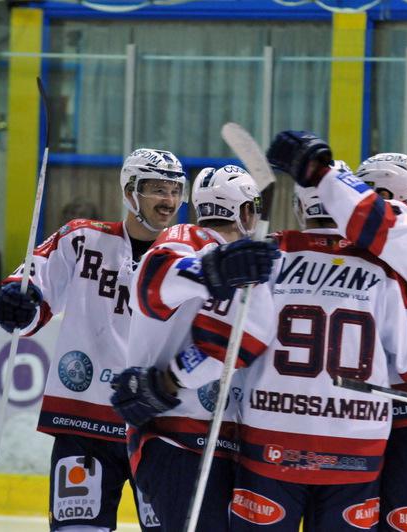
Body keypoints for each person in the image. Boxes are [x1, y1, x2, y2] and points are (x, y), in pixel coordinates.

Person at [227, 180, 407, 531]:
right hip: (355, 447)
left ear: (299, 208)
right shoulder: (382, 267)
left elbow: (233, 339)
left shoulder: (267, 258)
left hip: (271, 439)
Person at [0, 148, 190, 531]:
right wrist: (16, 303)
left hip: (161, 429)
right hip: (84, 423)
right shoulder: (82, 238)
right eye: (157, 189)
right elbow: (33, 293)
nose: (168, 200)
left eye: (175, 190)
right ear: (130, 192)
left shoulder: (191, 255)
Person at [111, 165, 279, 532]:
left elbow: (242, 343)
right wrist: (216, 269)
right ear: (245, 211)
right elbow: (153, 282)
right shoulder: (183, 238)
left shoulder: (249, 263)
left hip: (226, 440)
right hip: (175, 437)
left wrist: (172, 378)